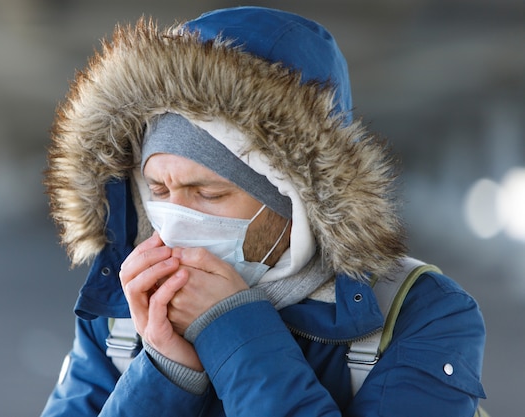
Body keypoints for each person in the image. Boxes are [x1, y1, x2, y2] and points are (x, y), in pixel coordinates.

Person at [41, 6, 486, 416]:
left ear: (295, 199)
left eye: (209, 194)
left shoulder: (421, 314)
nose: (175, 223)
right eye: (158, 189)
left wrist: (230, 330)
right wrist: (164, 370)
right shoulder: (121, 312)